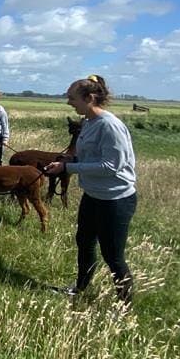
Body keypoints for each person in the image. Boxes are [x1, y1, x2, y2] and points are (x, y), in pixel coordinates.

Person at [46, 75, 137, 303]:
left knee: (113, 256)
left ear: (90, 98)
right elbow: (91, 155)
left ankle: (124, 305)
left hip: (115, 200)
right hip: (93, 196)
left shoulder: (110, 126)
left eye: (72, 98)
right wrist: (69, 158)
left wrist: (69, 167)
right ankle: (80, 288)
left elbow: (111, 166)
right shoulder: (89, 122)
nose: (68, 102)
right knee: (84, 242)